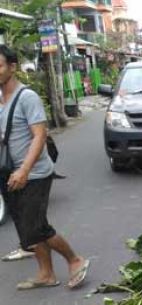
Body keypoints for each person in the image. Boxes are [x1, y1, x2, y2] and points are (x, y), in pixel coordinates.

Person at [0, 45, 89, 290]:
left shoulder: (26, 97)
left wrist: (24, 170)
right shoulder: (1, 99)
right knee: (26, 229)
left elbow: (39, 136)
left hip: (34, 173)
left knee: (36, 226)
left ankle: (75, 259)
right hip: (11, 172)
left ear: (12, 67)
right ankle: (46, 274)